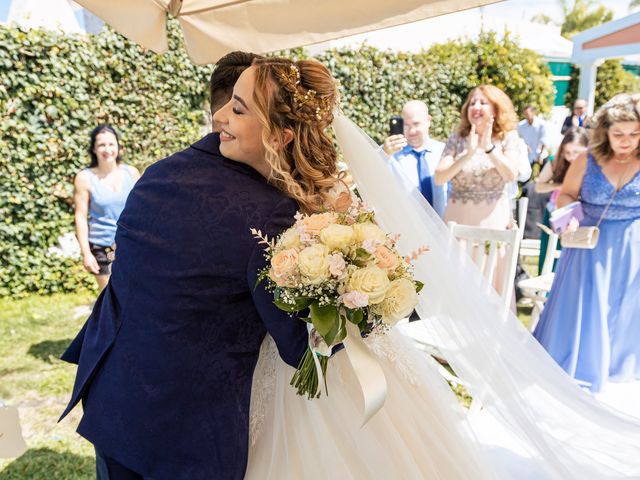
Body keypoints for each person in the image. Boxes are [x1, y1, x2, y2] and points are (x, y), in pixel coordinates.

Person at [215, 57, 640, 479]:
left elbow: (370, 251)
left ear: (283, 132)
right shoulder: (250, 183)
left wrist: (350, 287)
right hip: (281, 352)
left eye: (238, 107)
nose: (221, 117)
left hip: (337, 347)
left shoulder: (333, 192)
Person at [59, 51, 309, 480]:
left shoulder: (155, 173)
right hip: (186, 433)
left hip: (114, 397)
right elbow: (298, 347)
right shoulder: (269, 212)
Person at [534, 93, 640, 394]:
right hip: (589, 246)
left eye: (634, 134)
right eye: (619, 133)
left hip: (633, 248)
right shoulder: (587, 159)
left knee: (626, 309)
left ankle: (620, 368)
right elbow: (566, 195)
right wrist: (571, 218)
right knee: (586, 307)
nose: (626, 141)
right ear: (605, 131)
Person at [433, 85, 520, 297]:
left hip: (492, 224)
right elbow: (439, 177)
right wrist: (467, 154)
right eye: (472, 102)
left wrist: (489, 147)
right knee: (456, 287)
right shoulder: (457, 139)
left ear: (495, 109)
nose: (476, 107)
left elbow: (511, 174)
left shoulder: (507, 138)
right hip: (457, 223)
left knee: (488, 286)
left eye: (483, 102)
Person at [73, 125, 140, 291]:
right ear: (94, 149)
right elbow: (80, 217)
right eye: (102, 145)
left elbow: (143, 209)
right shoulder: (84, 178)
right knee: (110, 299)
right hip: (102, 248)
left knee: (136, 296)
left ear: (118, 146)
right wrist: (86, 254)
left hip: (131, 244)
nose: (107, 149)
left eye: (111, 144)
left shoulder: (131, 173)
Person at [533, 127, 589, 273]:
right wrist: (561, 185)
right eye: (568, 152)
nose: (571, 157)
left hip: (583, 216)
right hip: (558, 214)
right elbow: (539, 187)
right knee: (550, 258)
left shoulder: (592, 165)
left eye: (576, 152)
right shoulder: (555, 162)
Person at [381, 100, 447, 217]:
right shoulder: (390, 153)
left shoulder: (444, 151)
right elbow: (372, 177)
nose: (411, 131)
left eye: (416, 124)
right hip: (407, 228)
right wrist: (384, 154)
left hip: (442, 227)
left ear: (428, 121)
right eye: (406, 125)